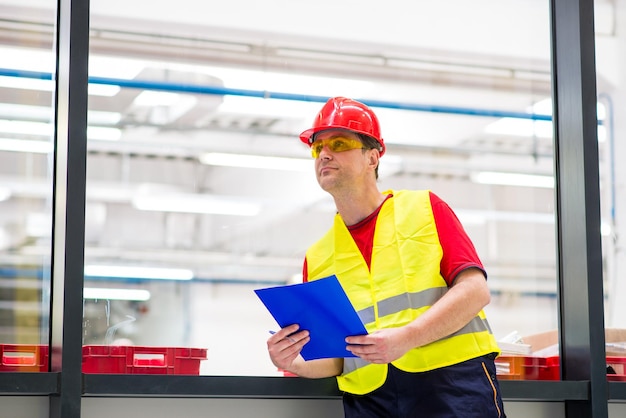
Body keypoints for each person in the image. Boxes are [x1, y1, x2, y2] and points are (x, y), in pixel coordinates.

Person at [267, 96, 506, 418]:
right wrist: (291, 360)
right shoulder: (319, 255)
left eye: (339, 143)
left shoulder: (424, 209)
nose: (324, 154)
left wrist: (407, 338)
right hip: (370, 402)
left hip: (451, 385)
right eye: (317, 147)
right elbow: (335, 358)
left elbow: (475, 291)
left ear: (373, 157)